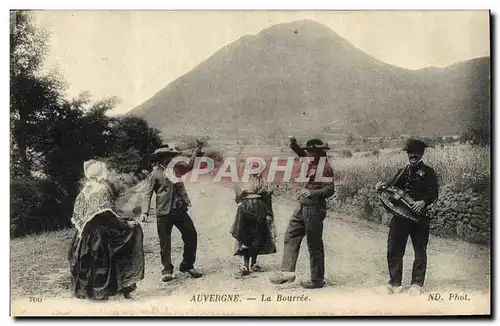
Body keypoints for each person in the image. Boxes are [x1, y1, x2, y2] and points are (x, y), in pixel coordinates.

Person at [68, 160, 145, 300]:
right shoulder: (102, 189)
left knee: (91, 259)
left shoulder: (84, 191)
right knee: (132, 234)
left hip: (85, 235)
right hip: (100, 232)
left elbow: (80, 216)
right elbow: (107, 216)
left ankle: (94, 291)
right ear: (100, 174)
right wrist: (126, 224)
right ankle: (122, 286)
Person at [375, 138, 439, 296]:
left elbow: (434, 193)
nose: (412, 155)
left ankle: (417, 284)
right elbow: (391, 187)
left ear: (421, 154)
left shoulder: (429, 172)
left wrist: (423, 202)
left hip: (420, 218)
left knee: (419, 250)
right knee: (394, 248)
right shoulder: (402, 171)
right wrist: (381, 187)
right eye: (410, 152)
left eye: (416, 153)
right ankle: (394, 283)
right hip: (401, 216)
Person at [269, 136, 335, 289]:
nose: (309, 154)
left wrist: (313, 193)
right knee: (291, 234)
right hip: (303, 205)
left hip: (315, 207)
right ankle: (287, 272)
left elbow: (330, 189)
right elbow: (301, 154)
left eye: (312, 152)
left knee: (314, 243)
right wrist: (294, 145)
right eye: (309, 151)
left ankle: (317, 280)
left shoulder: (325, 167)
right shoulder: (312, 161)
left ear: (319, 153)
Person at [140, 140, 204, 282]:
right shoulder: (154, 174)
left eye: (171, 156)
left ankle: (187, 265)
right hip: (164, 212)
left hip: (180, 210)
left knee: (191, 235)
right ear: (162, 158)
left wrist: (197, 149)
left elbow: (190, 166)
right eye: (168, 156)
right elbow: (147, 194)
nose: (171, 159)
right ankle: (167, 270)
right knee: (165, 242)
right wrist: (145, 212)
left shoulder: (177, 169)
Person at [231, 163, 277, 276]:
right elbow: (237, 199)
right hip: (245, 209)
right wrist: (242, 193)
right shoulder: (241, 181)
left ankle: (254, 263)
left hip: (260, 209)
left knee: (258, 236)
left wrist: (269, 213)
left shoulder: (264, 181)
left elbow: (268, 199)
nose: (256, 172)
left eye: (258, 170)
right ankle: (244, 265)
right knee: (245, 237)